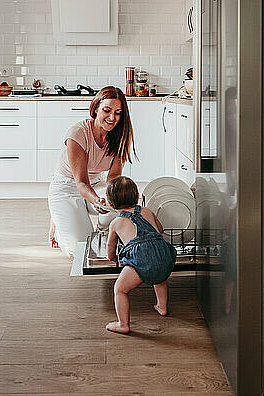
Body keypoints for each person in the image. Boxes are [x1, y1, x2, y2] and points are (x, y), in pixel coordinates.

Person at [48, 86, 135, 257]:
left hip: (95, 184)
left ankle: (103, 233)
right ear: (95, 109)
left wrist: (112, 198)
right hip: (66, 188)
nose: (112, 117)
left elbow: (113, 176)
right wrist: (96, 200)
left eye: (118, 112)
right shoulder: (78, 134)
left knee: (119, 205)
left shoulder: (119, 136)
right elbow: (81, 182)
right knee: (80, 251)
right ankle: (59, 223)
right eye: (107, 110)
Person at [104, 176, 177, 334]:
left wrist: (112, 258)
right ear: (137, 197)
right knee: (160, 279)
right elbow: (161, 229)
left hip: (141, 260)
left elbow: (111, 245)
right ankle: (162, 306)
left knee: (120, 290)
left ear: (110, 203)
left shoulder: (116, 223)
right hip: (164, 256)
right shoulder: (147, 211)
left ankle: (123, 324)